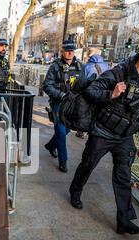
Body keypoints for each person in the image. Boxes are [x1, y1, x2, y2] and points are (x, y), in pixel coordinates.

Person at [69, 42, 139, 235]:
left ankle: (124, 221)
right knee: (88, 164)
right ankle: (75, 191)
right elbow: (90, 91)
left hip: (125, 136)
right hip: (102, 131)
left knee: (123, 177)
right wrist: (112, 93)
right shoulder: (117, 73)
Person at [43, 39, 88, 172]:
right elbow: (47, 85)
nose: (69, 53)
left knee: (67, 129)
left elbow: (84, 84)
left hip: (73, 104)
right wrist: (61, 94)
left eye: (71, 51)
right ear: (62, 51)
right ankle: (63, 161)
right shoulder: (55, 67)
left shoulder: (81, 66)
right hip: (59, 104)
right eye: (67, 51)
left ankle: (51, 146)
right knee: (61, 132)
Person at [76, 48, 111, 139]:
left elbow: (82, 81)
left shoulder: (86, 66)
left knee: (85, 111)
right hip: (102, 93)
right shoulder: (106, 66)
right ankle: (94, 132)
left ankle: (81, 131)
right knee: (97, 112)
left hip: (89, 92)